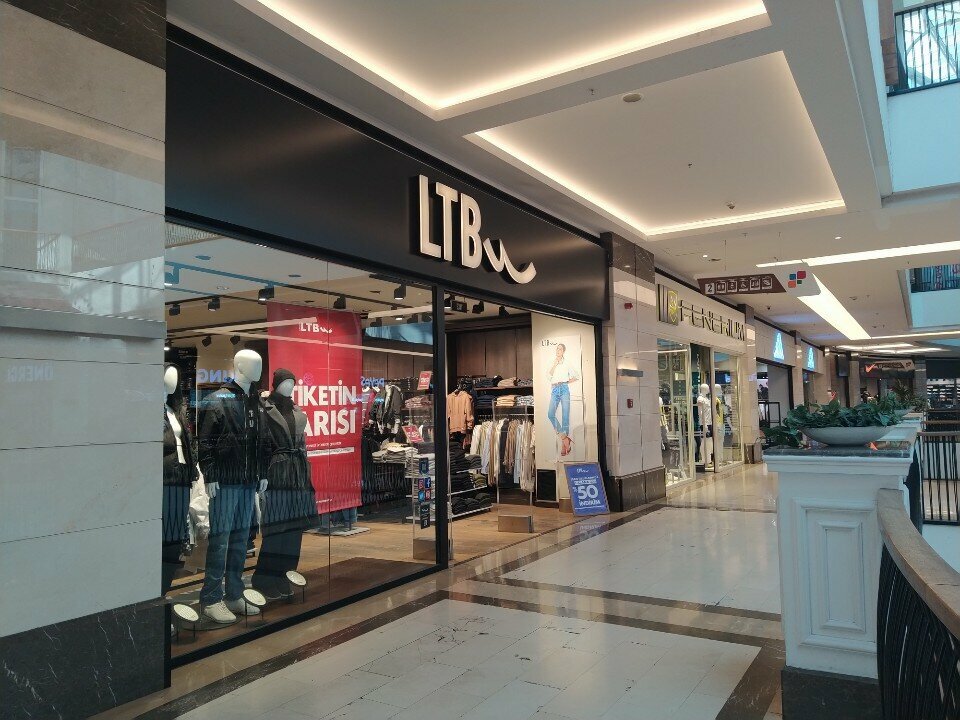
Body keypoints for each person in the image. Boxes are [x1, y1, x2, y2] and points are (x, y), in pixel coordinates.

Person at [546, 343, 579, 457]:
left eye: (560, 349)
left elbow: (576, 376)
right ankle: (565, 439)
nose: (558, 350)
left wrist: (566, 382)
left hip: (564, 389)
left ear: (563, 351)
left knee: (565, 417)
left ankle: (564, 445)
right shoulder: (552, 362)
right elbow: (548, 376)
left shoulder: (567, 362)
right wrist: (555, 364)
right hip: (555, 389)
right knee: (550, 414)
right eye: (557, 349)